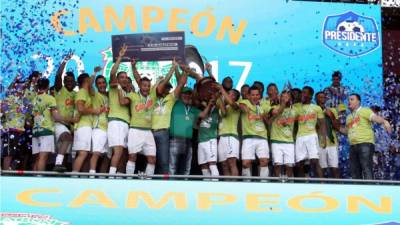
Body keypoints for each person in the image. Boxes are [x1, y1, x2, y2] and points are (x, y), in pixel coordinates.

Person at [340, 93, 392, 179]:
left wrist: (385, 122)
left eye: (352, 99)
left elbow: (375, 118)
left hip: (365, 144)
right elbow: (347, 132)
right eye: (348, 100)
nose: (349, 101)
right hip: (353, 145)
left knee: (366, 168)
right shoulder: (348, 117)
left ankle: (370, 190)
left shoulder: (365, 110)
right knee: (355, 171)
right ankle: (358, 191)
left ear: (358, 102)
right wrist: (335, 125)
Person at [151, 61, 187, 174]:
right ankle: (149, 183)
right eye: (164, 87)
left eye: (168, 88)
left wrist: (182, 71)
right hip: (149, 132)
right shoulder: (152, 96)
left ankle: (164, 184)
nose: (166, 89)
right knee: (150, 160)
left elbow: (181, 84)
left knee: (163, 161)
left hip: (163, 132)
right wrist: (171, 69)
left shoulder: (171, 98)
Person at [32, 78, 71, 171]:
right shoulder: (50, 98)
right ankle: (40, 179)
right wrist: (69, 120)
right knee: (43, 157)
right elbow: (56, 117)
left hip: (36, 130)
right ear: (48, 86)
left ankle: (34, 179)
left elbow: (34, 115)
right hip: (46, 130)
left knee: (37, 158)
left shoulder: (34, 99)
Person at [72, 68, 102, 172]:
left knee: (86, 154)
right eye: (90, 80)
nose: (92, 82)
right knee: (83, 153)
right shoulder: (82, 92)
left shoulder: (86, 92)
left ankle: (83, 178)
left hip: (87, 125)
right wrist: (95, 110)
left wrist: (94, 72)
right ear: (87, 81)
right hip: (82, 126)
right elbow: (80, 108)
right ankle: (74, 176)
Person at [107, 45, 130, 174]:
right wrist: (120, 57)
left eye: (126, 78)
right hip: (115, 122)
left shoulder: (128, 93)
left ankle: (120, 175)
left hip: (125, 123)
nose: (124, 79)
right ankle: (111, 176)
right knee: (119, 150)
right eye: (121, 77)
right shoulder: (114, 87)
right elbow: (112, 72)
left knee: (123, 152)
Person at [239, 86, 271, 178]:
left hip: (262, 137)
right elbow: (242, 107)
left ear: (260, 95)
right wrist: (250, 109)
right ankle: (246, 185)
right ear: (248, 96)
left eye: (257, 95)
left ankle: (264, 185)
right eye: (253, 95)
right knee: (245, 163)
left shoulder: (264, 105)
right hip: (248, 137)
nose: (255, 97)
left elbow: (270, 119)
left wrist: (264, 116)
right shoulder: (245, 102)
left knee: (264, 161)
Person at [294, 86, 326, 178]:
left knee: (315, 161)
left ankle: (322, 185)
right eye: (302, 92)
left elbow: (322, 125)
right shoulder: (296, 107)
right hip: (300, 137)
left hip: (312, 136)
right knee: (300, 163)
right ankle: (303, 184)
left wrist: (323, 139)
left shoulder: (316, 108)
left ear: (310, 95)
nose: (302, 94)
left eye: (305, 92)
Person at [169, 87, 201, 175]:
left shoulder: (193, 109)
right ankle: (171, 186)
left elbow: (203, 114)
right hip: (175, 139)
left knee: (187, 167)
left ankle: (185, 186)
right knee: (172, 166)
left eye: (189, 94)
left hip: (188, 141)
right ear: (180, 95)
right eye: (184, 93)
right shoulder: (175, 104)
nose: (187, 96)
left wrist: (209, 105)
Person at [53, 52, 76, 172]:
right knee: (66, 138)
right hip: (59, 123)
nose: (69, 83)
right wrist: (65, 61)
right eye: (67, 81)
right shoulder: (60, 90)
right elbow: (57, 76)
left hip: (70, 127)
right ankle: (57, 163)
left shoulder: (76, 95)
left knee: (67, 152)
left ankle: (62, 172)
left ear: (75, 82)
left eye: (72, 81)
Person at [197, 92, 224, 177]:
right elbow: (202, 116)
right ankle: (206, 187)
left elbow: (224, 112)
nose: (211, 99)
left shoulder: (217, 109)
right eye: (209, 97)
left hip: (210, 139)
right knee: (203, 166)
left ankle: (215, 187)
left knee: (212, 164)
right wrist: (208, 105)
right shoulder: (199, 108)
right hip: (201, 140)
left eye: (213, 97)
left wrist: (218, 96)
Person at [269, 91, 295, 177]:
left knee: (289, 166)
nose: (285, 98)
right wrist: (283, 103)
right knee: (277, 165)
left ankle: (289, 185)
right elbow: (277, 112)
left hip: (289, 142)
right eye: (283, 97)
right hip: (276, 141)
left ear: (290, 98)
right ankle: (278, 185)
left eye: (287, 97)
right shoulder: (274, 108)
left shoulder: (295, 110)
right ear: (279, 98)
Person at [315, 91, 340, 178]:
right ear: (316, 99)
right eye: (319, 97)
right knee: (321, 168)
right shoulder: (313, 111)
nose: (321, 99)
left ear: (326, 99)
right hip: (319, 143)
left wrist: (331, 116)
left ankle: (337, 188)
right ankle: (321, 189)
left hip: (332, 143)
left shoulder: (332, 110)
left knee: (335, 168)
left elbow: (337, 127)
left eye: (323, 97)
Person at [89, 75, 110, 174]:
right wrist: (94, 73)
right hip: (99, 129)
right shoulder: (95, 95)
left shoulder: (109, 96)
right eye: (99, 83)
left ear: (106, 83)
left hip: (109, 130)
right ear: (96, 85)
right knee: (96, 153)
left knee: (107, 157)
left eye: (103, 82)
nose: (102, 85)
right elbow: (89, 86)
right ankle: (92, 176)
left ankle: (102, 178)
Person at [217, 86, 241, 176]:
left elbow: (232, 104)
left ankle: (234, 188)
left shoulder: (237, 105)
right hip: (222, 137)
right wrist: (218, 96)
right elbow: (224, 113)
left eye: (229, 93)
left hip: (231, 136)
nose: (226, 94)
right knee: (224, 164)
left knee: (232, 163)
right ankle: (227, 188)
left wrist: (221, 89)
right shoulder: (224, 106)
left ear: (234, 97)